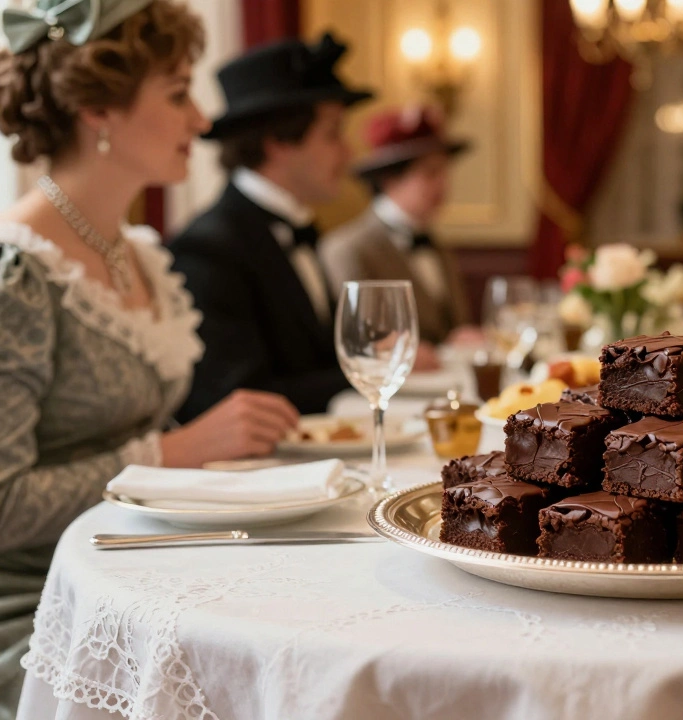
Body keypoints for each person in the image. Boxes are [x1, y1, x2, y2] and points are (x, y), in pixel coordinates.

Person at [0, 0, 299, 712]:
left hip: (138, 569)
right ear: (99, 108)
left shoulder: (132, 254)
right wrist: (170, 453)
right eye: (176, 94)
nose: (200, 120)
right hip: (38, 608)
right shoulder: (19, 272)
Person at [169, 33, 373, 422]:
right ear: (278, 141)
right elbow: (240, 399)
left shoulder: (301, 227)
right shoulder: (208, 249)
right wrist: (368, 373)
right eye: (332, 134)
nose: (348, 153)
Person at [319, 105, 482, 369]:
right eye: (430, 173)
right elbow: (358, 343)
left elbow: (453, 326)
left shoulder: (435, 244)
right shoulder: (348, 248)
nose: (443, 185)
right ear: (389, 180)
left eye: (444, 172)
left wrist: (462, 337)